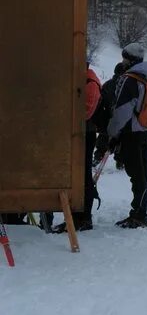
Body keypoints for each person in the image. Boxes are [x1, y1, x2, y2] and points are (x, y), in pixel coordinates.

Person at [107, 43, 147, 228]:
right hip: (146, 131)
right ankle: (140, 212)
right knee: (143, 174)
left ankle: (138, 215)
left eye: (124, 58)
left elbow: (122, 111)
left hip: (131, 133)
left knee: (137, 176)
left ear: (129, 59)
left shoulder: (130, 80)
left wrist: (112, 134)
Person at [56, 64, 105, 233]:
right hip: (81, 132)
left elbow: (85, 112)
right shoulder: (85, 81)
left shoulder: (89, 82)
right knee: (78, 174)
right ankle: (77, 217)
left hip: (84, 133)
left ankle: (83, 218)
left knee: (82, 175)